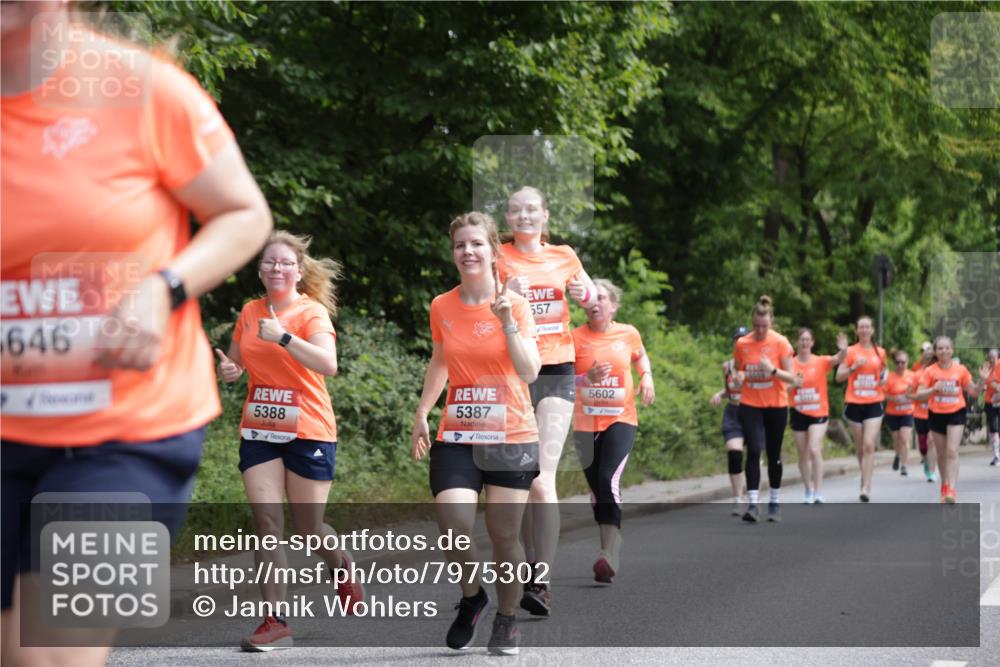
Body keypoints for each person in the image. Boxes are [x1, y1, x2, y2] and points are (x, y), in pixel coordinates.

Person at [0, 4, 272, 665]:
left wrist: (163, 287)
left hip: (132, 430)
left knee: (51, 654)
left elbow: (244, 212)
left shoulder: (142, 88)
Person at [216, 231, 363, 651]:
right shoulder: (249, 312)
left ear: (298, 271)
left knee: (308, 531)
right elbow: (238, 362)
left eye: (284, 263)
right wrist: (232, 371)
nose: (276, 268)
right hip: (261, 429)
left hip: (309, 429)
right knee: (266, 524)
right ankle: (275, 620)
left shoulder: (311, 312)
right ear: (260, 271)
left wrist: (282, 335)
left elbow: (328, 364)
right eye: (269, 263)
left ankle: (340, 566)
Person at [411, 212, 541, 656]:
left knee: (504, 536)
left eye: (476, 244)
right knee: (454, 528)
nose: (467, 251)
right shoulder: (441, 305)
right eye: (460, 245)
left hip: (512, 434)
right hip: (458, 432)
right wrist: (423, 411)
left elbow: (530, 370)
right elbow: (440, 360)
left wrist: (505, 321)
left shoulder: (515, 305)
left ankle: (506, 620)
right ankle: (472, 597)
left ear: (492, 251)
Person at [496, 186, 597, 616]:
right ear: (508, 216)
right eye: (516, 209)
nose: (524, 215)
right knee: (516, 483)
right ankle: (518, 568)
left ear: (545, 216)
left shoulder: (564, 256)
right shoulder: (496, 255)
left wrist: (584, 297)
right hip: (513, 371)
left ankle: (541, 580)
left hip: (555, 368)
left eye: (532, 209)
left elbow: (593, 300)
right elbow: (474, 308)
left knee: (541, 481)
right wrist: (506, 291)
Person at [571, 279, 655, 584]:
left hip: (621, 419)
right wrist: (586, 378)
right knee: (597, 490)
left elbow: (641, 355)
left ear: (613, 305)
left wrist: (646, 376)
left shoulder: (628, 333)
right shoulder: (574, 338)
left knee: (608, 478)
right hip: (584, 424)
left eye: (602, 297)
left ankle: (608, 553)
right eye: (591, 297)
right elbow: (563, 381)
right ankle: (612, 538)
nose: (595, 302)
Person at [732, 296, 798, 523]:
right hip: (751, 404)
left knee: (773, 453)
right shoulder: (742, 344)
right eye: (756, 326)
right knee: (754, 450)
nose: (760, 331)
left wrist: (772, 371)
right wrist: (739, 377)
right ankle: (752, 503)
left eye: (764, 326)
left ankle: (775, 501)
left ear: (771, 322)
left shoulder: (781, 343)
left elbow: (793, 379)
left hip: (776, 405)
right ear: (752, 323)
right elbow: (739, 371)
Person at [912, 337, 988, 502]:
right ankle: (944, 484)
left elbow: (974, 392)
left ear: (952, 350)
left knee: (952, 451)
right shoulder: (930, 371)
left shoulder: (960, 370)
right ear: (935, 351)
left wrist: (982, 379)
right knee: (941, 454)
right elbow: (919, 394)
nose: (944, 351)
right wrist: (933, 389)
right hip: (936, 413)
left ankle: (951, 489)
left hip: (956, 412)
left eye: (947, 348)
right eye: (940, 348)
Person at [788, 329, 848, 504]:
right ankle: (808, 488)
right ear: (797, 342)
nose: (805, 343)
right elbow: (781, 388)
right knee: (802, 454)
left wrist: (843, 349)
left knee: (815, 449)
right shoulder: (790, 364)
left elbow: (838, 358)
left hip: (818, 412)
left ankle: (819, 492)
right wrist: (793, 385)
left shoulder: (820, 361)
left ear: (812, 343)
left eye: (808, 340)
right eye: (802, 340)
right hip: (798, 411)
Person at [835, 316, 888, 502]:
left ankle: (866, 486)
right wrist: (852, 369)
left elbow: (884, 373)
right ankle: (864, 475)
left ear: (872, 330)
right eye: (861, 327)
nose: (864, 330)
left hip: (874, 402)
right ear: (857, 331)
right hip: (854, 403)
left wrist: (883, 379)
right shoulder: (850, 351)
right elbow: (839, 376)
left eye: (867, 327)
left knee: (868, 445)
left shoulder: (879, 352)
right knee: (860, 447)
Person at [709, 326, 750, 515]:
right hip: (733, 412)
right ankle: (737, 498)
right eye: (737, 340)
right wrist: (720, 394)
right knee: (734, 453)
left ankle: (753, 494)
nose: (740, 343)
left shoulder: (756, 365)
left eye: (744, 339)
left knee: (753, 457)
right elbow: (729, 390)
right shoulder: (727, 366)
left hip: (752, 412)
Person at [884, 349, 916, 478]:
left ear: (907, 363)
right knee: (896, 440)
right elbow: (883, 394)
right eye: (898, 362)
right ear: (895, 363)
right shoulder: (890, 377)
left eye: (903, 362)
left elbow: (919, 390)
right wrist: (893, 398)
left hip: (907, 411)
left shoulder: (912, 376)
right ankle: (897, 455)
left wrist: (910, 395)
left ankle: (904, 465)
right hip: (892, 412)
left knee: (904, 438)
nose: (900, 365)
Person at [911, 342, 937, 481]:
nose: (927, 359)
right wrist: (918, 396)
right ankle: (926, 462)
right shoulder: (916, 372)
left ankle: (932, 471)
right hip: (920, 413)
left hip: (935, 412)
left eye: (930, 357)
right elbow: (910, 392)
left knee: (931, 440)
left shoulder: (938, 371)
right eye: (925, 356)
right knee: (923, 445)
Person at [984, 348, 1000, 466]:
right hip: (989, 401)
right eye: (989, 357)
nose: (991, 359)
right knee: (993, 429)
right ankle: (996, 455)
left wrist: (994, 384)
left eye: (993, 357)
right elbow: (984, 381)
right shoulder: (987, 368)